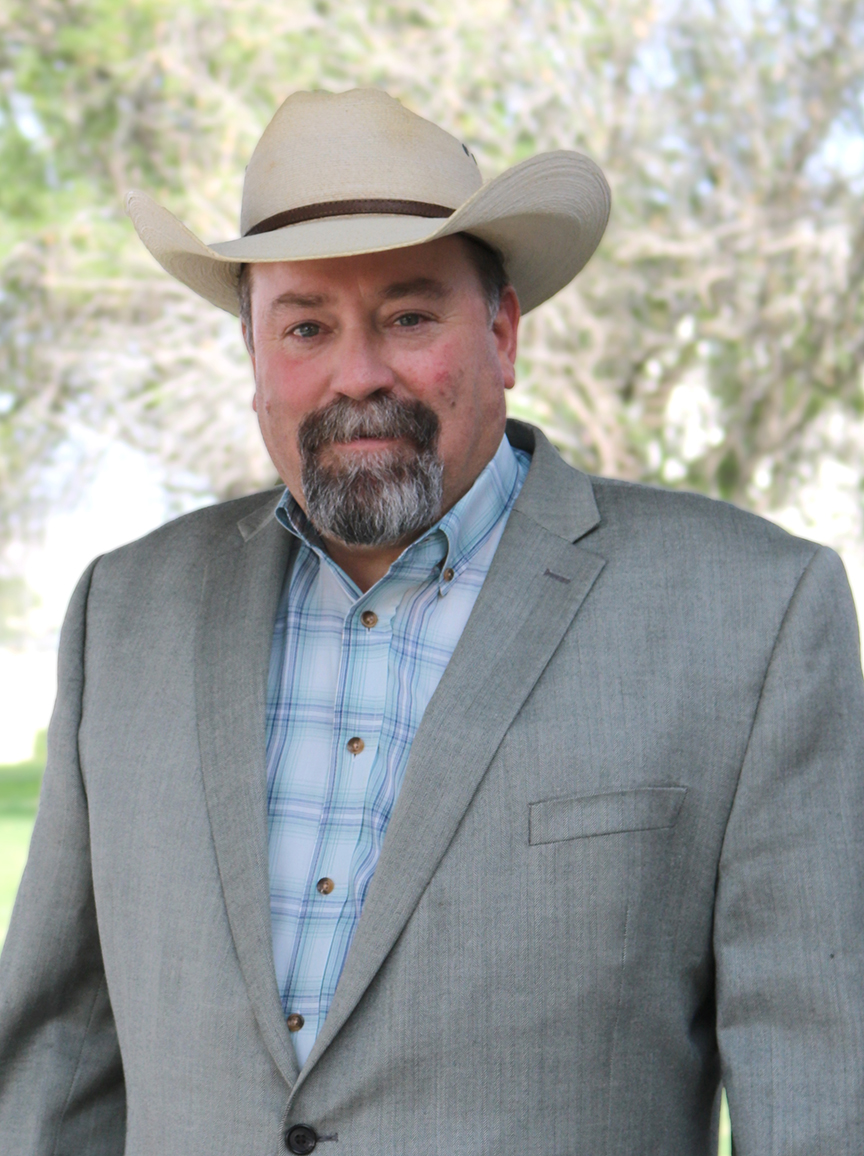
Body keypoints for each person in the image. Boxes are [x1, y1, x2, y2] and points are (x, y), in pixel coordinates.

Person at [0, 87, 861, 1156]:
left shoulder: (754, 615)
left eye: (408, 317)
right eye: (306, 325)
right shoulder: (122, 616)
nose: (358, 374)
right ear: (254, 356)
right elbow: (54, 1067)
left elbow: (823, 1091)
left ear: (501, 331)